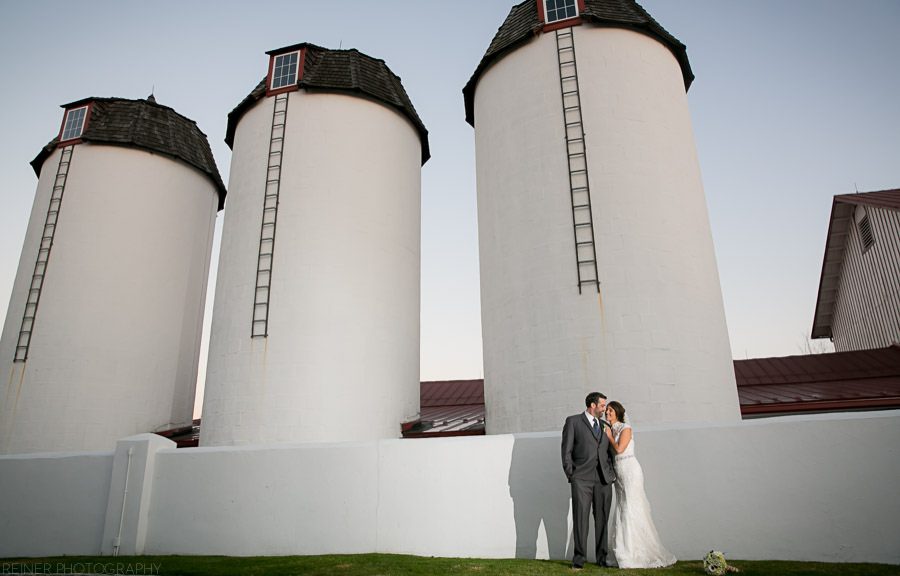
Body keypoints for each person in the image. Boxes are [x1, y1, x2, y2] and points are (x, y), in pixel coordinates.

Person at [604, 401, 677, 568]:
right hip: (619, 473)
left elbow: (620, 449)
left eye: (610, 410)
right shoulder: (609, 428)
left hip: (630, 470)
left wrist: (609, 436)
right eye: (606, 410)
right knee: (622, 507)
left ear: (617, 412)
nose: (607, 413)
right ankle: (621, 551)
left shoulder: (625, 428)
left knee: (631, 507)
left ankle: (634, 552)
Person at [561, 392, 617, 569]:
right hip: (581, 479)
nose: (604, 409)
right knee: (581, 518)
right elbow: (566, 451)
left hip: (603, 480)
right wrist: (572, 474)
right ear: (592, 405)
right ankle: (579, 558)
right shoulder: (573, 422)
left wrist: (611, 473)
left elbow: (610, 453)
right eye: (602, 406)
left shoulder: (605, 425)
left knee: (602, 519)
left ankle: (602, 558)